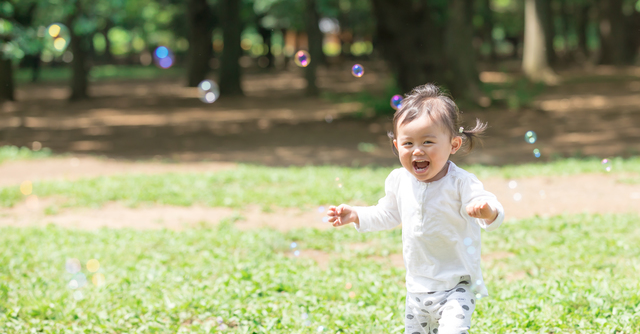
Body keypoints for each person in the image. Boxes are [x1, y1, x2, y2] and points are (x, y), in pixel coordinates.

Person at [326, 83, 504, 334]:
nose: (417, 151)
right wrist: (357, 214)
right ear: (397, 146)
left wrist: (487, 211)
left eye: (428, 141)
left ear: (453, 145)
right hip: (417, 288)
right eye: (408, 143)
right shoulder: (399, 180)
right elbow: (387, 213)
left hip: (457, 286)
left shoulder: (461, 182)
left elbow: (493, 208)